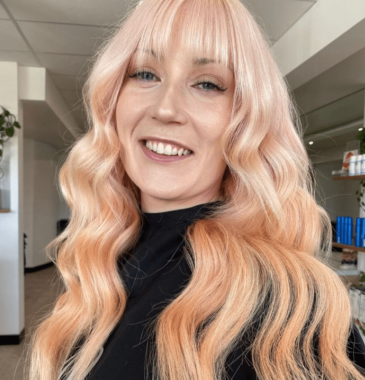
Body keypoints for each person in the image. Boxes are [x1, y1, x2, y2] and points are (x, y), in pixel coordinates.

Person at [26, 0, 365, 379]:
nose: (166, 108)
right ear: (113, 99)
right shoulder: (101, 257)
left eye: (207, 84)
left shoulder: (290, 304)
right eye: (144, 74)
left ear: (244, 119)